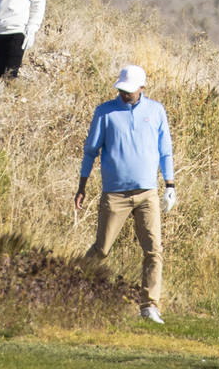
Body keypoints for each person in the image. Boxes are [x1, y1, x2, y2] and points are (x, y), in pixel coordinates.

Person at [75, 65, 176, 324]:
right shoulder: (105, 112)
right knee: (102, 249)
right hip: (115, 194)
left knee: (154, 251)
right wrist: (82, 186)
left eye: (130, 90)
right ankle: (73, 288)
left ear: (142, 87)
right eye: (122, 89)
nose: (125, 94)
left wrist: (170, 185)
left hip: (147, 193)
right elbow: (90, 151)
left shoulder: (156, 111)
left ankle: (149, 305)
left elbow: (165, 151)